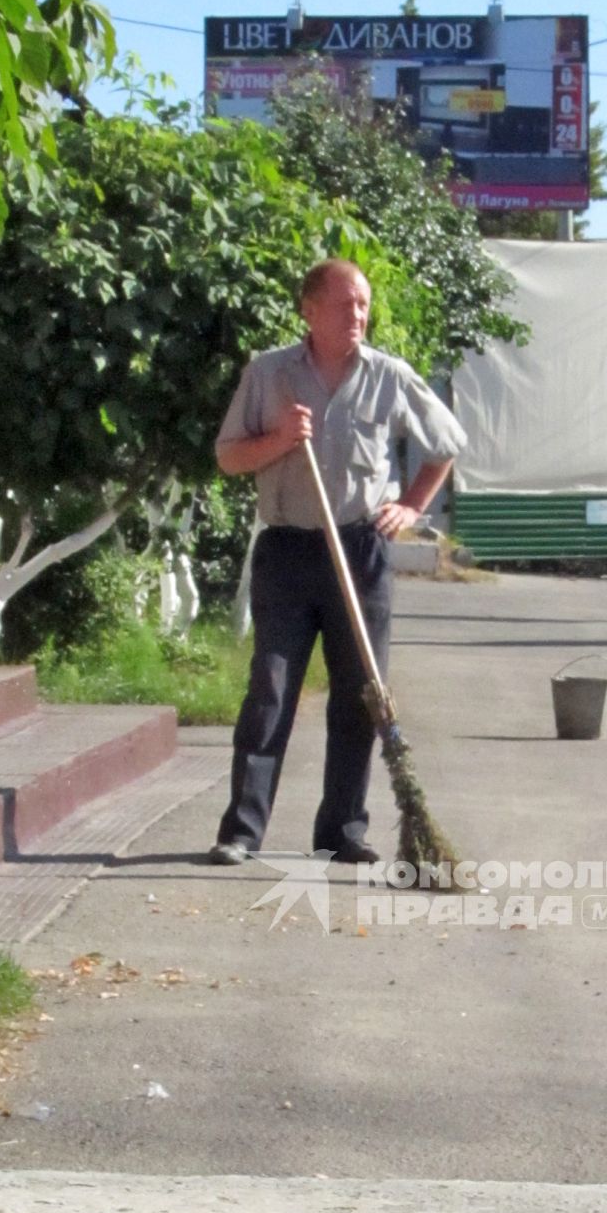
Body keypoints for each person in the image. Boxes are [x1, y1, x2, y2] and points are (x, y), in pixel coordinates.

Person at [209, 258, 466, 866]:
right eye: (346, 302)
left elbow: (446, 445)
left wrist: (410, 504)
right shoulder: (270, 374)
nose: (358, 314)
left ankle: (343, 831)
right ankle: (242, 832)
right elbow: (228, 458)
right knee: (269, 691)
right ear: (309, 308)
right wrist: (278, 440)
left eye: (363, 304)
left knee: (358, 694)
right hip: (289, 550)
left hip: (359, 549)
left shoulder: (389, 376)